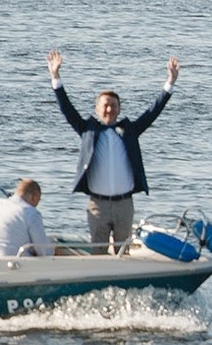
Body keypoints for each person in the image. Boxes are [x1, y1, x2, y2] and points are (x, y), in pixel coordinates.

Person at [49, 49, 179, 249]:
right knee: (98, 254)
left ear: (119, 109)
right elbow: (67, 108)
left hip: (124, 205)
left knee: (123, 254)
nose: (109, 109)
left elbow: (153, 111)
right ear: (97, 109)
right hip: (97, 206)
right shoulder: (88, 130)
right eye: (105, 105)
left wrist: (170, 82)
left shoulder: (130, 131)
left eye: (113, 105)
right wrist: (55, 77)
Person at [0, 178, 55, 257]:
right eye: (39, 199)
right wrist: (54, 249)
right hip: (15, 262)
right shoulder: (31, 213)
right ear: (34, 196)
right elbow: (44, 252)